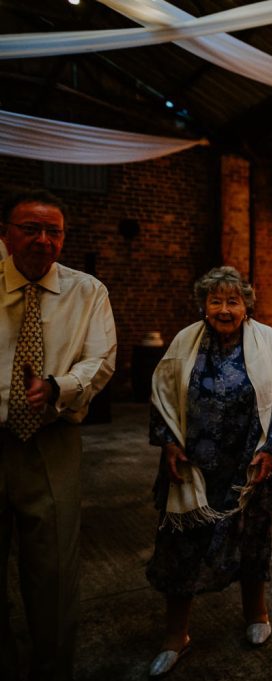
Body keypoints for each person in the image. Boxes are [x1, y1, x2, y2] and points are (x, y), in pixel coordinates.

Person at [146, 266, 272, 677]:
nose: (225, 309)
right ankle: (176, 636)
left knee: (252, 543)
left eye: (233, 301)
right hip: (194, 469)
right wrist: (169, 442)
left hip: (249, 467)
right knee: (180, 549)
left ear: (247, 305)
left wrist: (271, 449)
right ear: (204, 305)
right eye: (216, 301)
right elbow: (161, 392)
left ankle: (257, 615)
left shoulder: (267, 341)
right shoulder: (185, 341)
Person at [0, 189, 117, 681]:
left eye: (54, 231)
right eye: (31, 228)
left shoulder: (88, 292)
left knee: (53, 573)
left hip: (52, 442)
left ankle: (52, 669)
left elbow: (101, 359)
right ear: (6, 232)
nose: (44, 240)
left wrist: (56, 387)